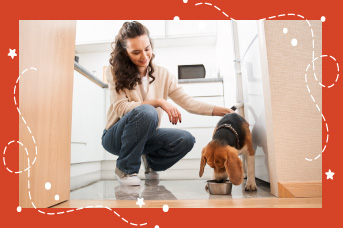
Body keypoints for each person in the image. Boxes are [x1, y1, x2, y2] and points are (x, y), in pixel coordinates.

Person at [101, 21, 235, 186]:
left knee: (185, 139)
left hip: (145, 135)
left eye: (147, 49)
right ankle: (125, 169)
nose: (144, 56)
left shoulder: (163, 75)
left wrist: (223, 111)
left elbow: (189, 103)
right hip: (115, 137)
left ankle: (150, 162)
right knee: (147, 111)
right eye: (136, 52)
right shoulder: (114, 71)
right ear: (125, 52)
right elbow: (121, 108)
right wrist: (158, 102)